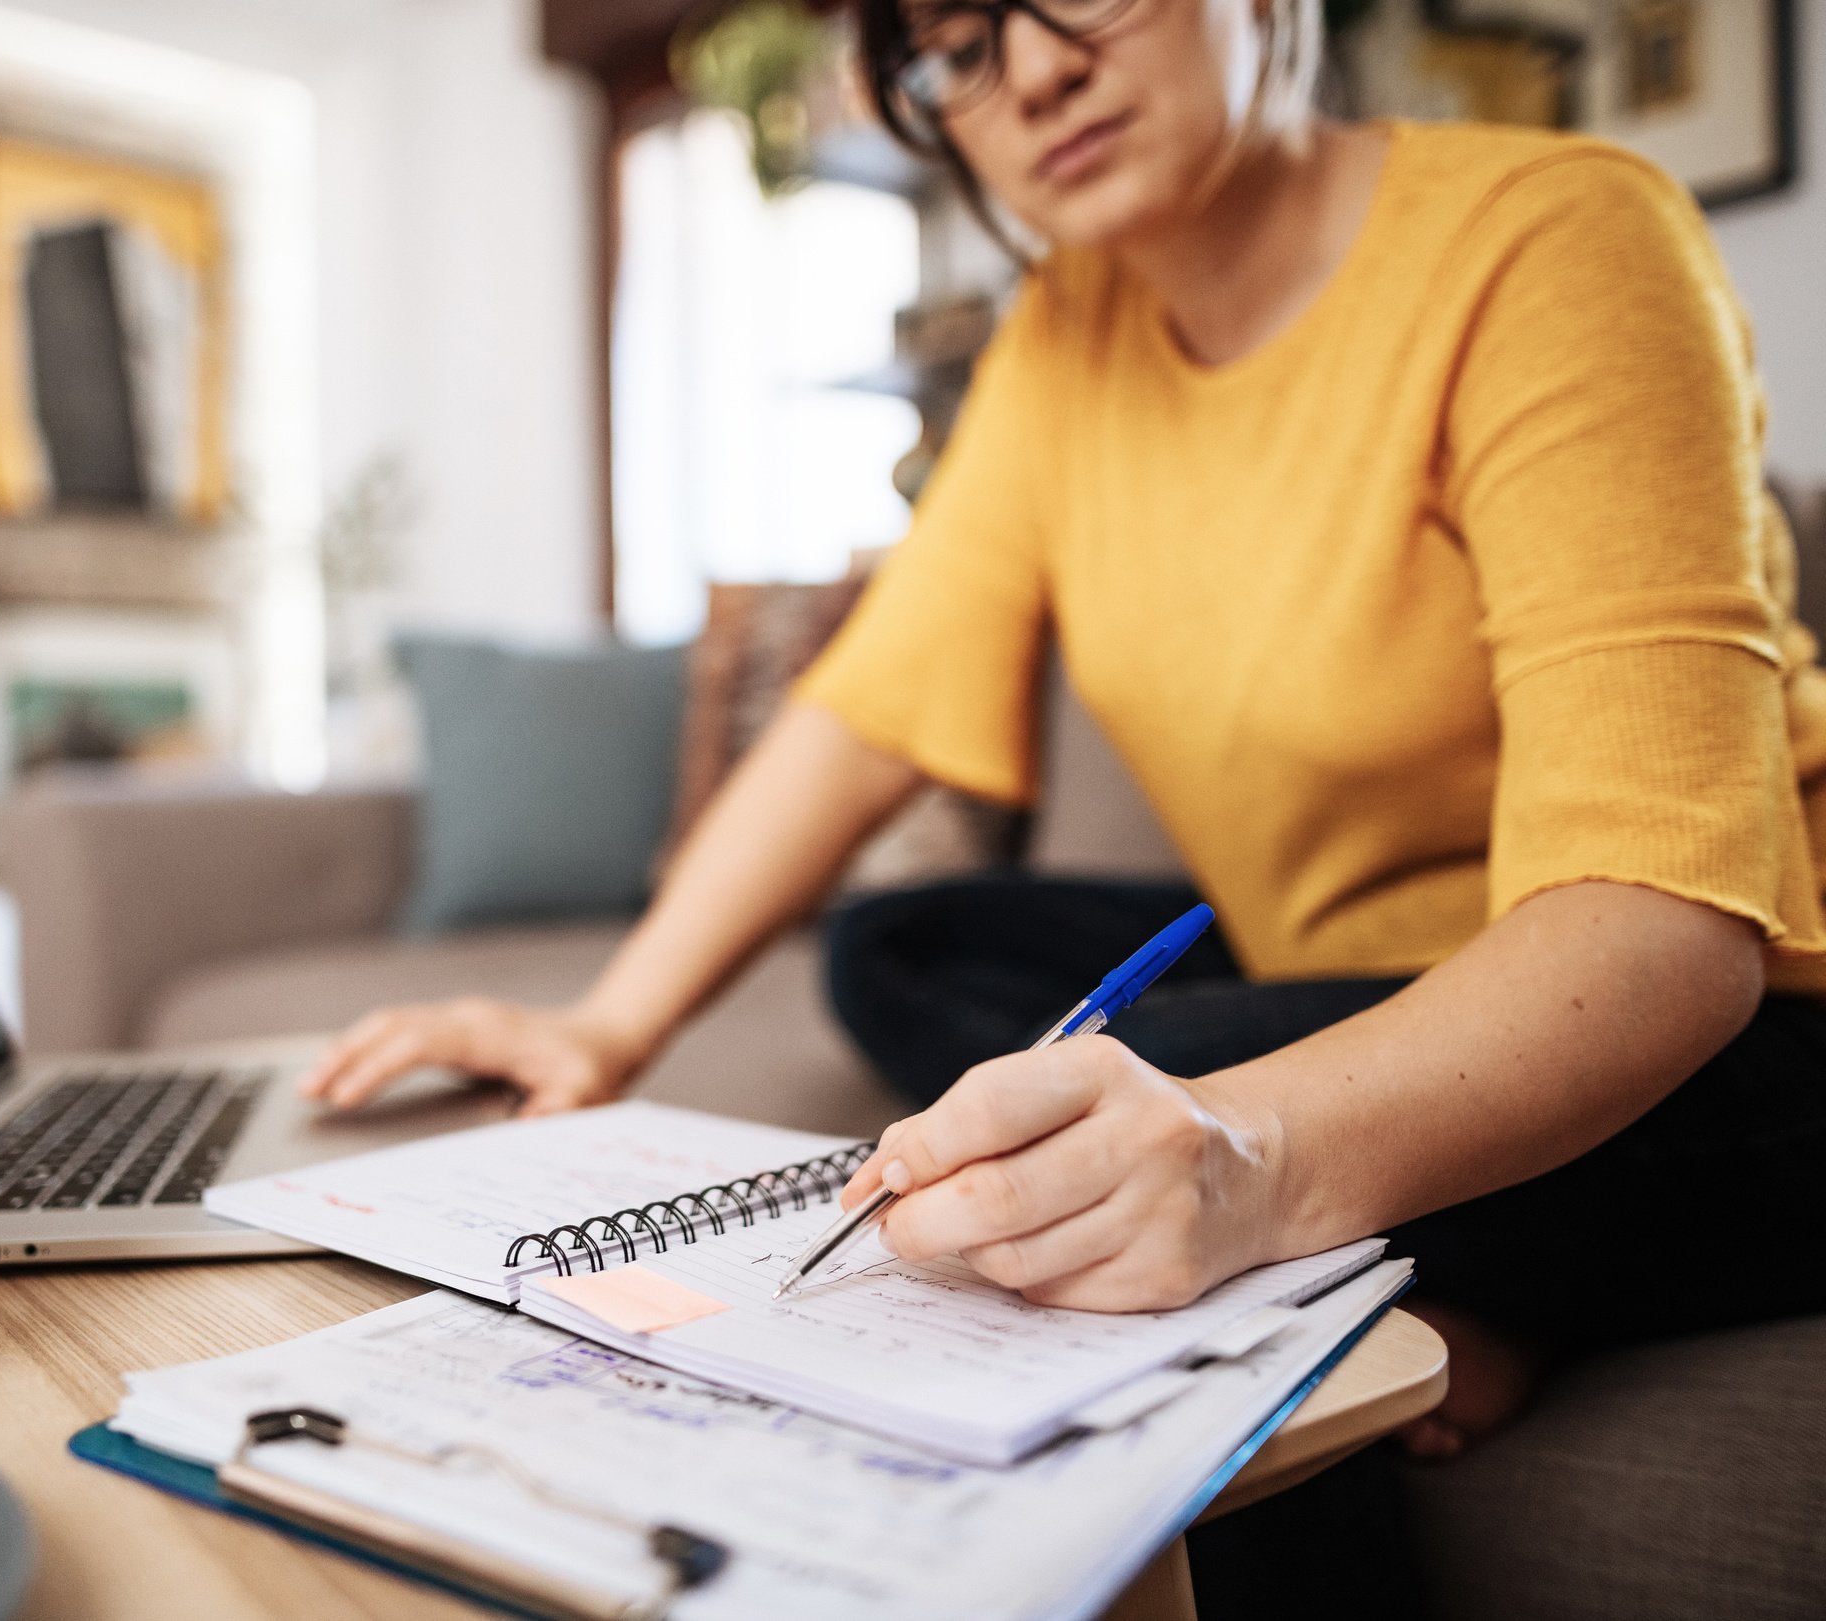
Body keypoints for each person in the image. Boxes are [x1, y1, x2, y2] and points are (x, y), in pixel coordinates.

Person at [304, 0, 1826, 1599]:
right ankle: (1421, 1246)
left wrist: (1256, 1155)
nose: (1028, 71)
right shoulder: (1065, 339)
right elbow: (865, 711)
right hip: (1360, 963)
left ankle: (1384, 1274)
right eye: (953, 46)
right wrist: (605, 1025)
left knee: (1133, 1096)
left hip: (1748, 1017)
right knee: (904, 949)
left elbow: (1668, 933)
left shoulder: (1554, 239)